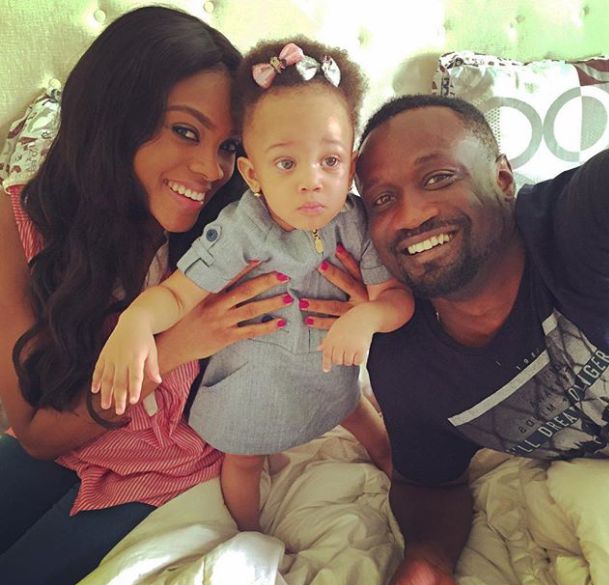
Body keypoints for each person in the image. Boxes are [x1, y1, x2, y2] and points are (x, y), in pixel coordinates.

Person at [0, 7, 313, 585]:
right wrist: (173, 345)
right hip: (61, 440)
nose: (211, 169)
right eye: (186, 132)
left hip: (168, 468)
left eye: (227, 146)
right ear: (115, 116)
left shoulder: (226, 234)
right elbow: (35, 432)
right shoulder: (22, 227)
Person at [92, 38, 414, 533]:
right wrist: (135, 321)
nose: (311, 181)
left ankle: (399, 472)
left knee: (357, 413)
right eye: (286, 163)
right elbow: (177, 294)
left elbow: (396, 300)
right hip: (254, 381)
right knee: (241, 460)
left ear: (352, 165)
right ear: (252, 172)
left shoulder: (356, 223)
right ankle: (247, 534)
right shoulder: (240, 231)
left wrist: (369, 315)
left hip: (329, 375)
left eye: (329, 161)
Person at [350, 94, 609, 585]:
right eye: (382, 199)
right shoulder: (405, 364)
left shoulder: (577, 226)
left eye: (437, 178)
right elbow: (430, 483)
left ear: (502, 179)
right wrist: (429, 556)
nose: (411, 214)